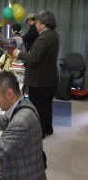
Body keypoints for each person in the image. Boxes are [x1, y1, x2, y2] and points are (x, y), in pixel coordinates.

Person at [13, 10, 59, 138]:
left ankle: (40, 133)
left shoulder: (44, 37)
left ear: (43, 24)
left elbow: (33, 57)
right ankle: (48, 128)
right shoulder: (54, 34)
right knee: (47, 106)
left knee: (38, 107)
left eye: (37, 23)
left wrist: (18, 54)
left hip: (40, 80)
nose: (35, 25)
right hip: (50, 78)